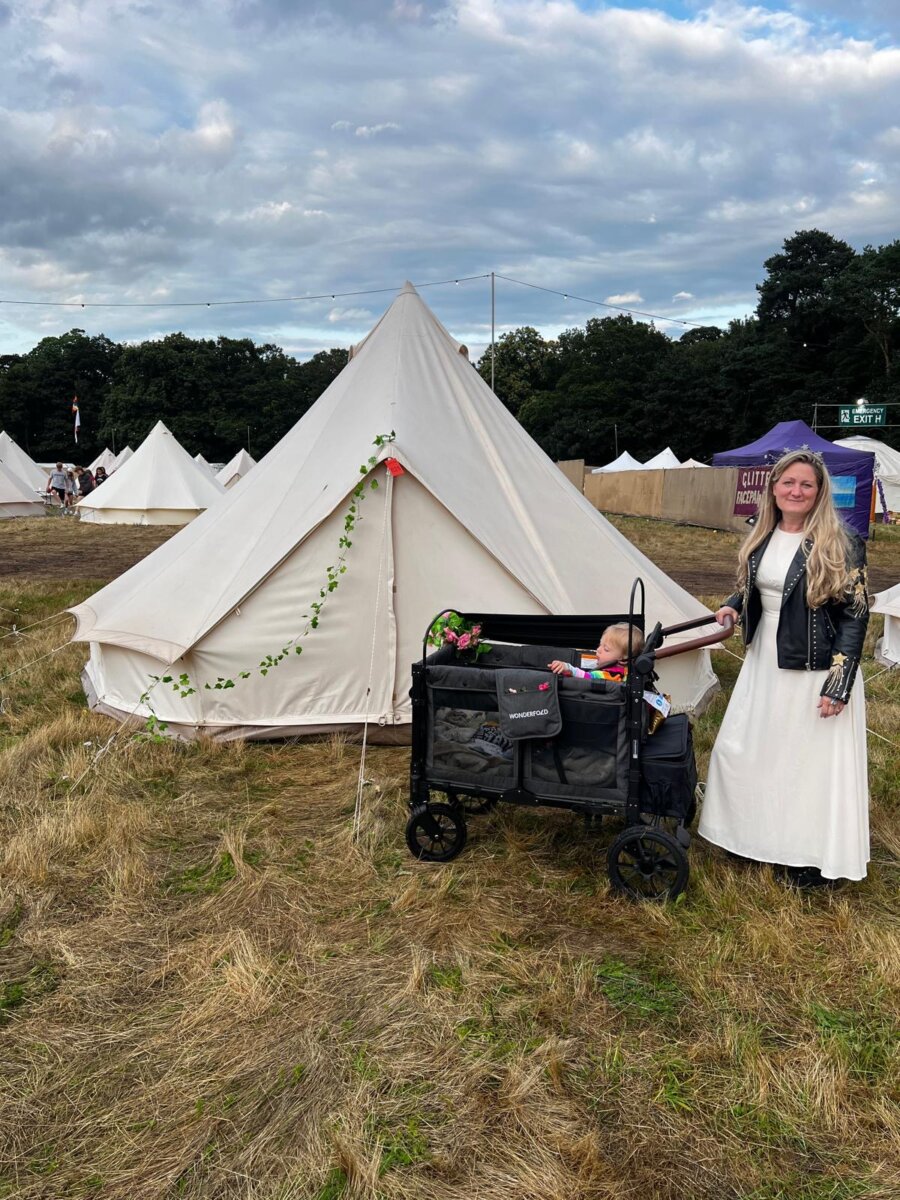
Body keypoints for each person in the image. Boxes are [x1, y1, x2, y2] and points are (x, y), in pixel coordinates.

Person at [699, 450, 869, 887]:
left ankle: (812, 857)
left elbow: (855, 616)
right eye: (788, 482)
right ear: (773, 487)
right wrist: (732, 605)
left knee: (806, 766)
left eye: (806, 484)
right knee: (750, 750)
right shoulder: (763, 532)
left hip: (814, 667)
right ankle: (755, 838)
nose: (796, 491)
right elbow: (756, 581)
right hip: (764, 661)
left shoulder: (842, 542)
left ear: (819, 492)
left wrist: (839, 683)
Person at [548, 622, 644, 681]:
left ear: (623, 659)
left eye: (606, 649)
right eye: (600, 645)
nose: (598, 650)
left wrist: (568, 668)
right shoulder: (628, 672)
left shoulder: (612, 675)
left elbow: (587, 677)